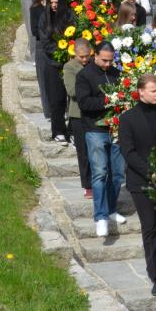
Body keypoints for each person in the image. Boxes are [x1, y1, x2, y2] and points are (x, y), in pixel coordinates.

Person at [118, 74, 156, 296]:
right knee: (150, 228)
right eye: (153, 90)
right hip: (141, 182)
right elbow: (128, 151)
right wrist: (150, 173)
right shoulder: (128, 118)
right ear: (140, 91)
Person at [76, 41, 127, 237]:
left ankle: (111, 209)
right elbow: (84, 103)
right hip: (95, 129)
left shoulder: (116, 74)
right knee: (99, 173)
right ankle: (100, 216)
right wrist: (108, 100)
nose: (107, 64)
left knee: (117, 174)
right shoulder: (84, 76)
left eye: (110, 61)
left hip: (115, 129)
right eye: (104, 60)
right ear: (94, 55)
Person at [38, 0, 74, 146]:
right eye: (51, 2)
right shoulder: (44, 18)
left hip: (69, 62)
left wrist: (70, 51)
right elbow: (45, 42)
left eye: (56, 2)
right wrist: (61, 51)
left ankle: (72, 130)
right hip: (53, 63)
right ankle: (58, 130)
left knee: (72, 98)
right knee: (56, 99)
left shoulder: (69, 16)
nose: (53, 5)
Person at [63, 39, 94, 199]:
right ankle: (87, 185)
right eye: (81, 57)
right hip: (78, 114)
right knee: (83, 152)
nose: (84, 59)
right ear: (75, 54)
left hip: (94, 112)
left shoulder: (94, 64)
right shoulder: (69, 67)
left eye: (87, 56)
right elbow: (72, 90)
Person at [30, 0, 55, 119]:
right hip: (42, 46)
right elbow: (34, 30)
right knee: (44, 81)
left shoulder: (56, 6)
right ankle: (49, 112)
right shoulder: (35, 8)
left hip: (56, 45)